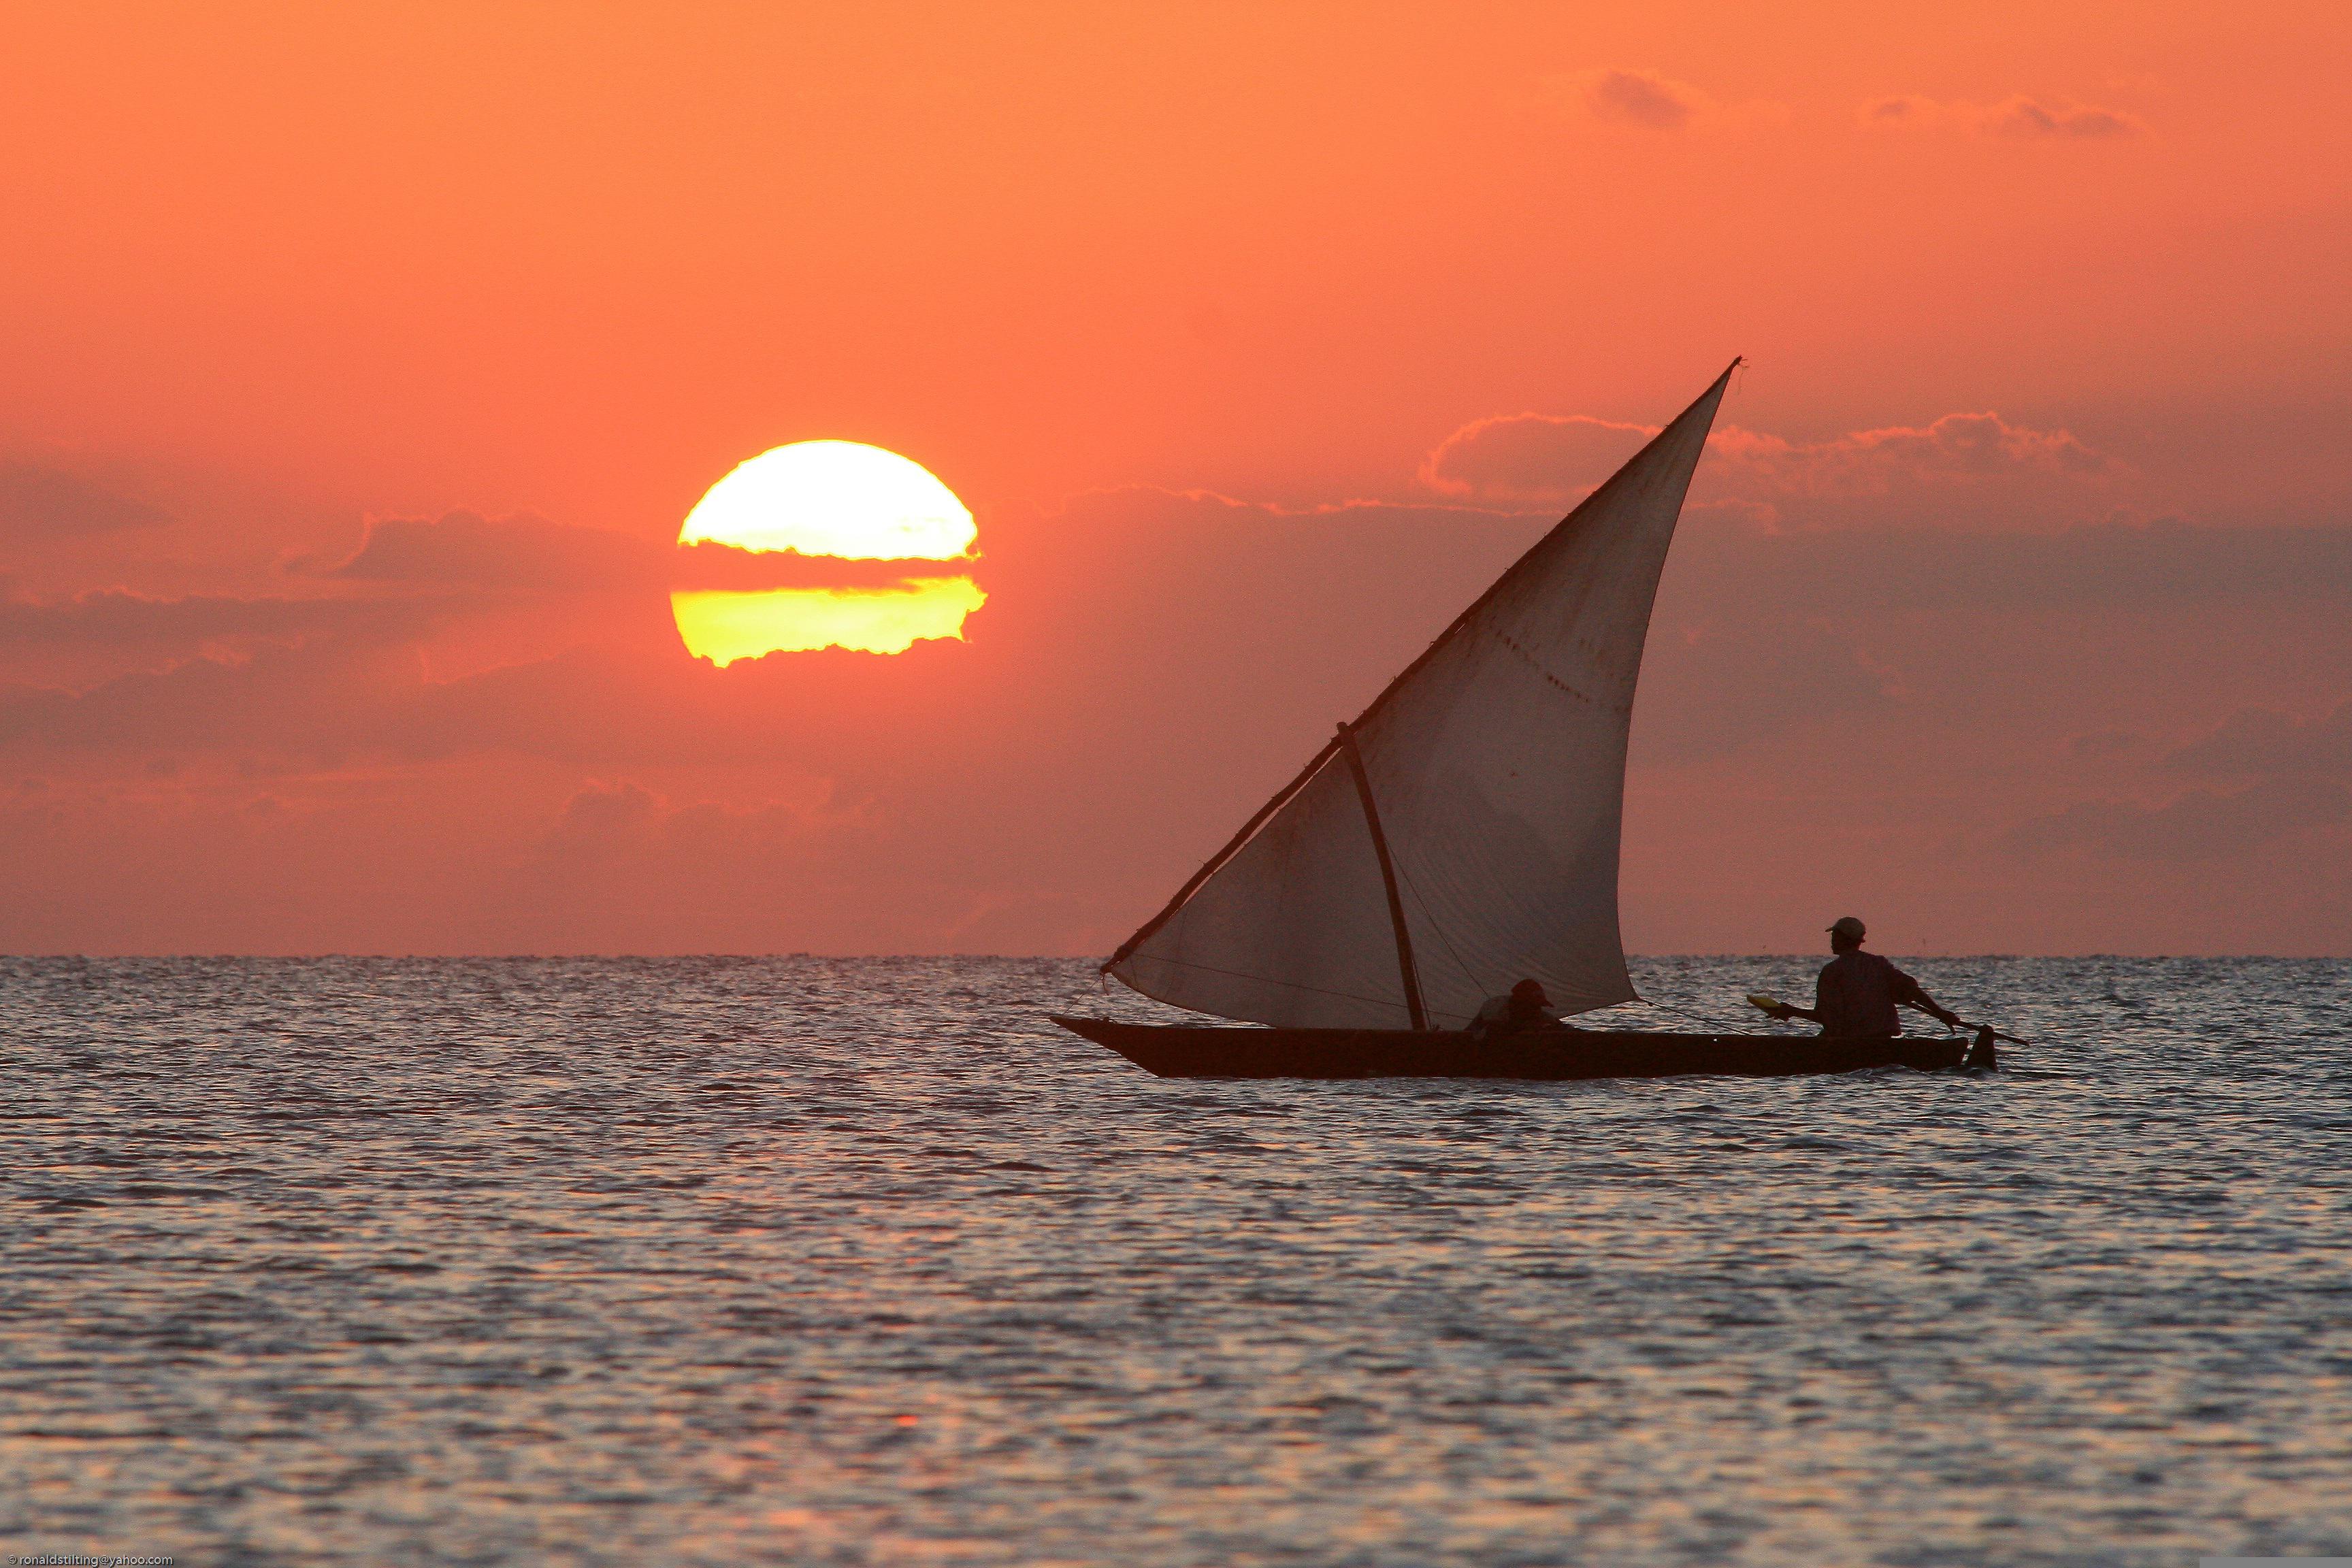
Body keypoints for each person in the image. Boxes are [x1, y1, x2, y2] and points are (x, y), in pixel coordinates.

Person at [1763, 917, 1963, 1038]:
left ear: (1844, 939)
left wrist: (1790, 1011)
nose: (1832, 940)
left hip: (1854, 1041)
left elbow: (1827, 1019)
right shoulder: (1880, 964)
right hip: (1886, 1037)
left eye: (1835, 936)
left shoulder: (1833, 971)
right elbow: (1913, 991)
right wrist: (1941, 1013)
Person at [1467, 978, 1565, 1041]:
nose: (1536, 1010)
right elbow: (1493, 1031)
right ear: (1519, 1003)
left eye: (1538, 1006)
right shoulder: (1496, 1006)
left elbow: (1559, 1026)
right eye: (1532, 1006)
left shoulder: (1538, 1014)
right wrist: (1529, 1028)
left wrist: (1558, 1027)